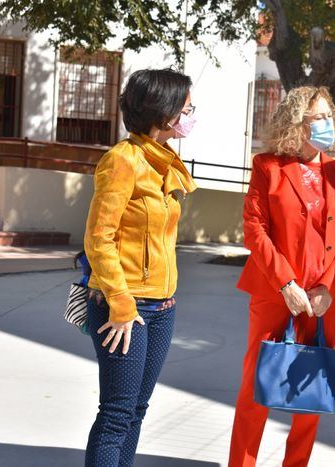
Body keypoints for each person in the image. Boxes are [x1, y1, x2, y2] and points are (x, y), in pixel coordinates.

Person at [229, 86, 335, 467]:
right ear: (296, 123)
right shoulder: (268, 167)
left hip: (325, 301)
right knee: (255, 386)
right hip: (276, 293)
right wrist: (286, 282)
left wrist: (329, 288)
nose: (327, 124)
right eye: (318, 117)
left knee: (311, 388)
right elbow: (255, 230)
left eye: (329, 117)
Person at [83, 68, 197, 467]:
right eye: (186, 108)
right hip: (125, 308)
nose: (190, 115)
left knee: (136, 410)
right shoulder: (123, 160)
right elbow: (99, 237)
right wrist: (120, 302)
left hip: (162, 306)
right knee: (116, 415)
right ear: (162, 111)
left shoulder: (165, 163)